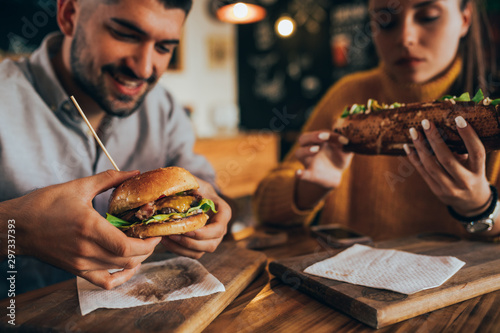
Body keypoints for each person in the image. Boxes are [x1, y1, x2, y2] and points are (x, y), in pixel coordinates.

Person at [0, 0, 231, 294]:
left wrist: (212, 205)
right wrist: (18, 230)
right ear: (69, 15)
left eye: (163, 47)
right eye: (126, 34)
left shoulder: (164, 107)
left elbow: (205, 186)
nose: (144, 68)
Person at [254, 0, 500, 240]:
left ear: (465, 18)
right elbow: (264, 210)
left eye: (428, 17)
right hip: (345, 278)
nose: (406, 38)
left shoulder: (492, 111)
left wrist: (481, 207)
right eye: (386, 21)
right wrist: (310, 188)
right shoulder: (347, 97)